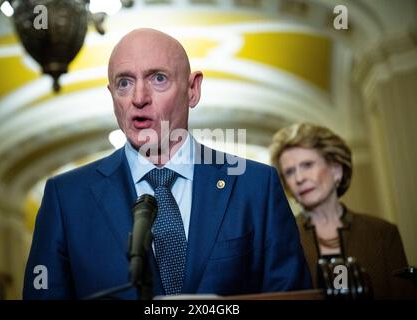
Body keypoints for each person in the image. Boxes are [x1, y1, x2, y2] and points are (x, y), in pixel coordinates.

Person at [23, 28, 311, 299]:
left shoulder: (255, 186)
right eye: (125, 83)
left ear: (193, 89)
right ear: (112, 96)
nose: (139, 98)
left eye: (158, 78)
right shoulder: (66, 198)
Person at [269, 122, 416, 299]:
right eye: (290, 172)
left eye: (307, 165)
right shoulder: (281, 238)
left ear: (336, 170)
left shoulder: (382, 233)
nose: (299, 178)